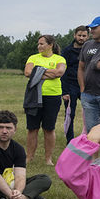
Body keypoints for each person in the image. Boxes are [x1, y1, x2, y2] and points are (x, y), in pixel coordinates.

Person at [23, 34, 67, 165]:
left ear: (50, 45)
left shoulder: (59, 58)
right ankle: (29, 157)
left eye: (42, 44)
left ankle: (48, 159)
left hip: (52, 96)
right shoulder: (33, 58)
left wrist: (38, 72)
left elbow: (59, 73)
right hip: (34, 96)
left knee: (49, 128)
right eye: (38, 44)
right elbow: (27, 72)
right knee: (32, 128)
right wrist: (49, 73)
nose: (39, 46)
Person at [60, 25, 89, 141]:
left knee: (89, 113)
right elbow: (63, 72)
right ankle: (70, 140)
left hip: (86, 86)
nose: (81, 38)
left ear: (88, 36)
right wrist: (64, 91)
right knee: (69, 114)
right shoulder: (66, 51)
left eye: (84, 36)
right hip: (70, 86)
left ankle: (89, 138)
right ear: (74, 35)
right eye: (79, 35)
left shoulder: (90, 50)